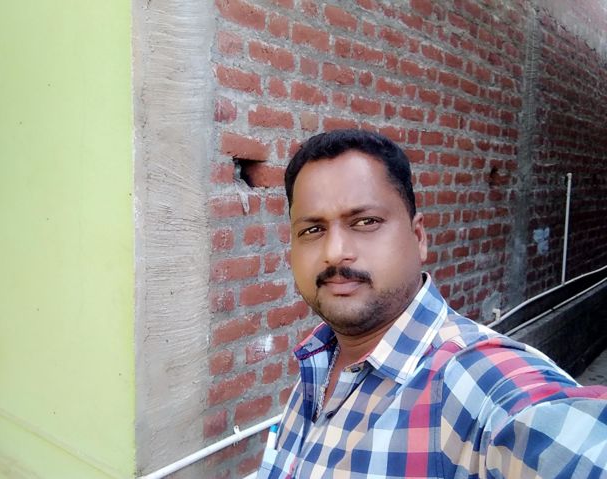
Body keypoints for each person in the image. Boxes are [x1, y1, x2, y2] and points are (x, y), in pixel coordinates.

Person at [257, 129, 607, 478]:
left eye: (366, 222)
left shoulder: (477, 385)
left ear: (418, 237)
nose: (334, 252)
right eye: (312, 230)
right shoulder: (319, 362)